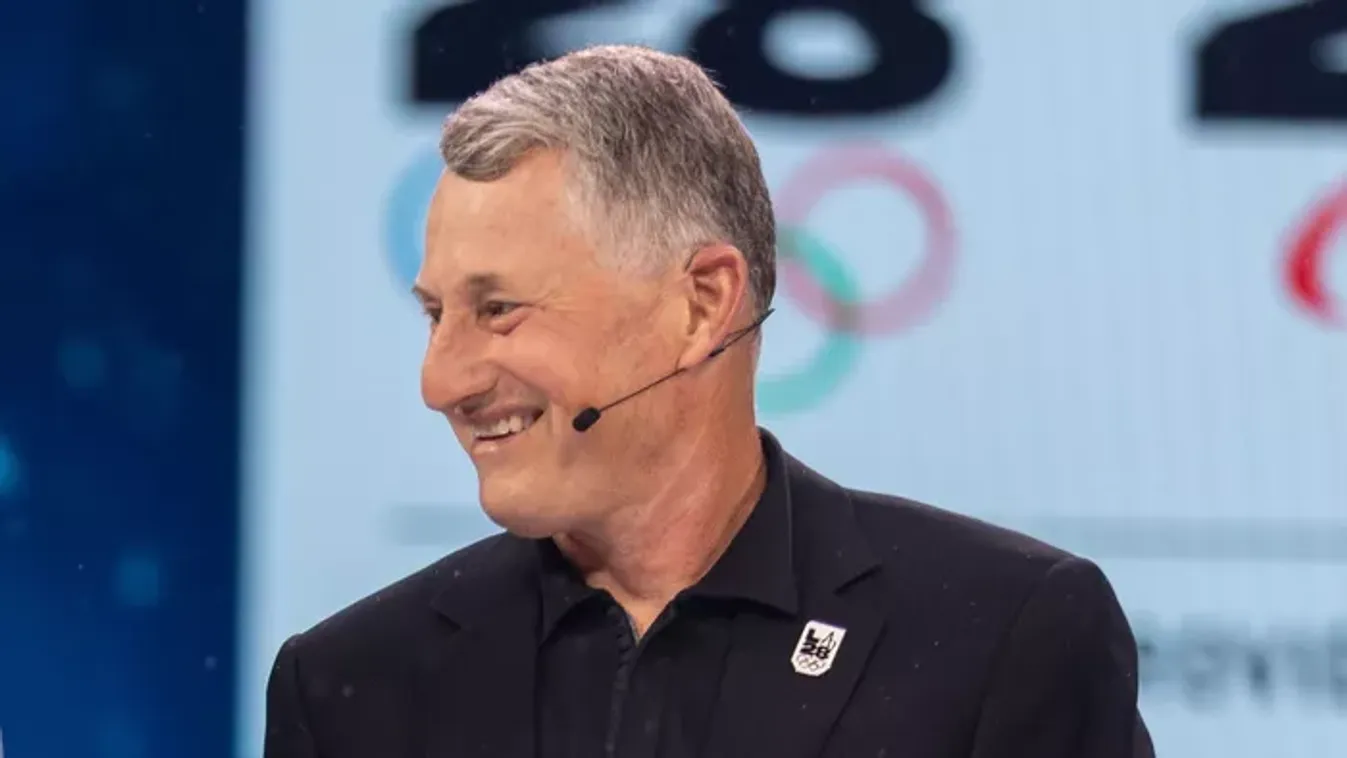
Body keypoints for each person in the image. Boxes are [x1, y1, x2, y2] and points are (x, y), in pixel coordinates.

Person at [263, 45, 1154, 758]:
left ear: (699, 305)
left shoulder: (998, 637)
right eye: (435, 316)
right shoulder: (353, 688)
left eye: (499, 310)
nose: (441, 382)